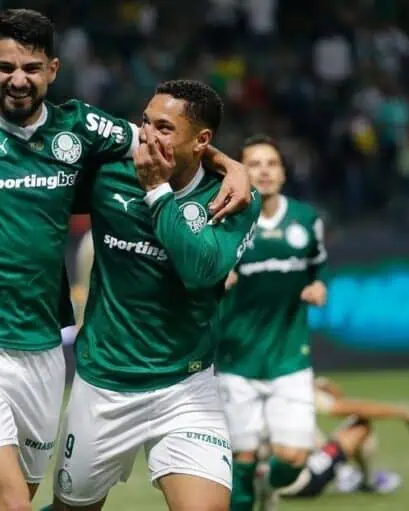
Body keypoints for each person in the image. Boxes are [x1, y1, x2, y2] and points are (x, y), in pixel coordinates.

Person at [0, 9, 250, 511]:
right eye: (6, 68)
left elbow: (168, 140)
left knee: (12, 501)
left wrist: (230, 163)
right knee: (11, 504)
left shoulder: (83, 129)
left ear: (52, 68)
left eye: (30, 68)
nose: (18, 80)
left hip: (45, 351)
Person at [44, 80, 260, 511]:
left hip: (185, 386)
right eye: (145, 122)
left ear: (201, 141)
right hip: (104, 384)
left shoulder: (231, 197)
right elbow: (55, 136)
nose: (147, 135)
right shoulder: (110, 173)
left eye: (164, 127)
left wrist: (158, 192)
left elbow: (201, 271)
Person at [215, 135, 328, 511]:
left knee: (294, 459)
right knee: (241, 463)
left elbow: (318, 267)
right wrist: (217, 279)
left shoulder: (306, 220)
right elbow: (199, 275)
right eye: (255, 164)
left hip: (289, 357)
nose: (264, 171)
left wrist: (317, 286)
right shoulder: (224, 219)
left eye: (272, 163)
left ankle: (271, 482)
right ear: (240, 172)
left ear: (282, 172)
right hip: (237, 358)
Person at [274, 376, 409, 499]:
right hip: (299, 481)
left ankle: (344, 472)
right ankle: (366, 482)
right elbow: (350, 408)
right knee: (360, 425)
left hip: (265, 480)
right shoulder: (291, 385)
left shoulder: (256, 386)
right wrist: (403, 412)